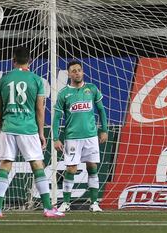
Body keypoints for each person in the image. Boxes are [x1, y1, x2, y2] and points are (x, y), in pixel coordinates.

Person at [0, 47, 65, 218]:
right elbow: (40, 109)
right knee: (37, 165)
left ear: (13, 60)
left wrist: (2, 126)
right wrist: (41, 133)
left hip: (8, 127)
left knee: (5, 164)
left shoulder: (3, 79)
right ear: (30, 61)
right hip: (28, 129)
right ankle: (47, 208)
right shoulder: (37, 80)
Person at [53, 60, 108, 212]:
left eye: (79, 70)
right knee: (71, 169)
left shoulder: (92, 89)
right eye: (74, 71)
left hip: (90, 137)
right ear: (69, 74)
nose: (77, 73)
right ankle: (65, 203)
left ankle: (94, 203)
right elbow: (57, 117)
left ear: (82, 72)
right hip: (72, 137)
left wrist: (104, 130)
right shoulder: (64, 93)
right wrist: (55, 138)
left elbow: (101, 111)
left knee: (92, 167)